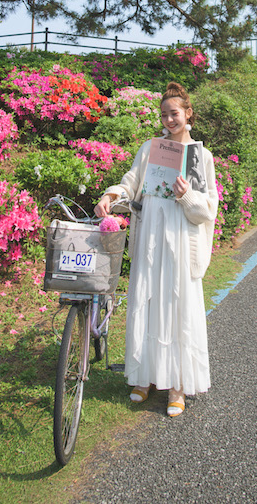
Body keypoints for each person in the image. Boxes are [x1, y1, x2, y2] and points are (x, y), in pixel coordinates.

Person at [95, 81, 218, 417]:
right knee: (147, 302)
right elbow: (131, 182)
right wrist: (110, 195)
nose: (169, 120)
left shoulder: (201, 157)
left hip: (180, 238)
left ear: (188, 113)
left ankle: (177, 385)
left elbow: (207, 210)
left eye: (174, 113)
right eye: (164, 115)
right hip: (150, 235)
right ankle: (144, 377)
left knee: (178, 306)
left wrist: (186, 196)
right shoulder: (150, 149)